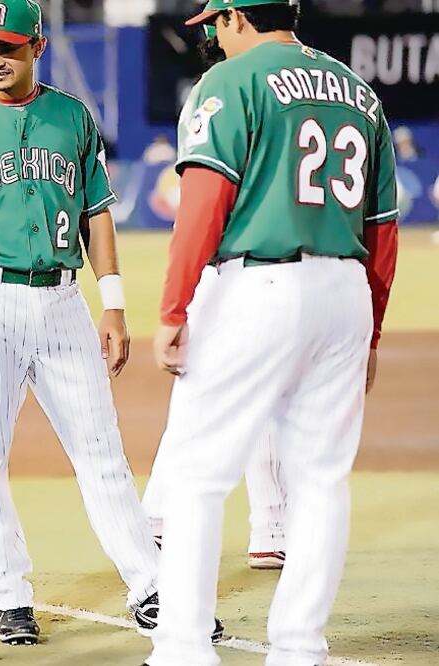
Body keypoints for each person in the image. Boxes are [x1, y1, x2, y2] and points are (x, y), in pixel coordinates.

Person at [0, 0, 223, 647]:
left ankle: (150, 587)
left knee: (101, 450)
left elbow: (95, 214)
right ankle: (9, 595)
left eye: (9, 46)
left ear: (37, 48)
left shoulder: (72, 117)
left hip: (61, 300)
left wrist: (112, 302)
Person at [142, 0, 399, 664]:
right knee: (320, 480)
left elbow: (203, 203)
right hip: (344, 291)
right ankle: (299, 648)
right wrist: (370, 332)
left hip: (258, 286)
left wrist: (173, 309)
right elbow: (382, 231)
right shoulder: (357, 91)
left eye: (214, 22)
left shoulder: (231, 81)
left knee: (196, 475)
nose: (212, 35)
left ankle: (181, 649)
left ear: (235, 17)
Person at [142, 23, 289, 572]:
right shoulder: (295, 90)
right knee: (260, 397)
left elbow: (202, 205)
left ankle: (162, 522)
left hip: (229, 267)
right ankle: (268, 525)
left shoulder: (222, 91)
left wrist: (175, 304)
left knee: (206, 400)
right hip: (270, 268)